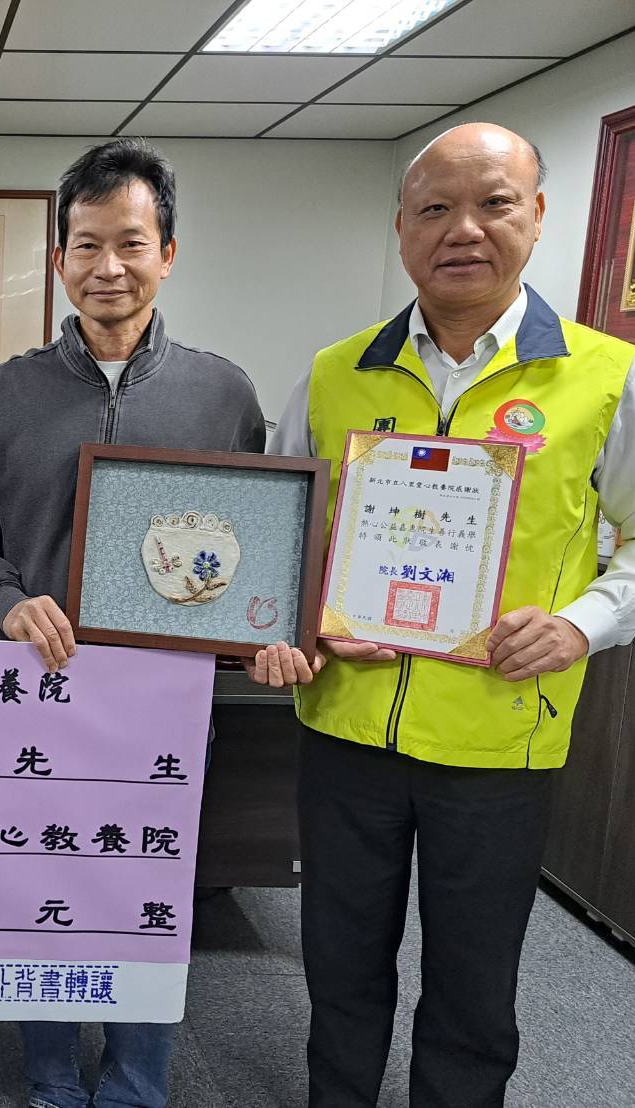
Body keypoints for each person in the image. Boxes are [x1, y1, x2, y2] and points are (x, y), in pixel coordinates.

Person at [253, 122, 635, 1106]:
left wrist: (581, 623)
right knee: (338, 964)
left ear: (535, 216)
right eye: (434, 208)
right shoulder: (335, 373)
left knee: (472, 984)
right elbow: (284, 531)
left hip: (500, 735)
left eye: (492, 203)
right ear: (401, 228)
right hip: (346, 726)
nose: (462, 229)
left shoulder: (604, 376)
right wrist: (295, 621)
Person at [0, 138, 264, 1108]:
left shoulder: (222, 394)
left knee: (145, 896)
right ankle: (49, 1080)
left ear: (168, 253)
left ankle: (134, 1086)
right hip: (36, 696)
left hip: (165, 703)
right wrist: (6, 599)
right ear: (59, 256)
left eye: (130, 243)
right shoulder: (2, 395)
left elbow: (255, 542)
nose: (108, 266)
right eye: (86, 245)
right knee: (36, 893)